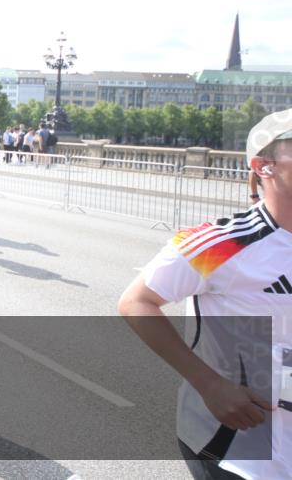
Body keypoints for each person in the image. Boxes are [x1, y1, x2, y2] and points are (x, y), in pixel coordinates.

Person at [118, 110, 292, 480]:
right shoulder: (223, 243)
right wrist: (210, 385)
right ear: (264, 166)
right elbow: (136, 301)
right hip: (240, 448)